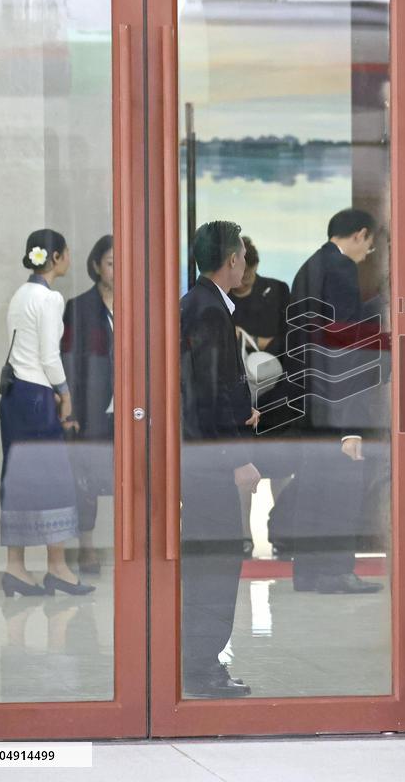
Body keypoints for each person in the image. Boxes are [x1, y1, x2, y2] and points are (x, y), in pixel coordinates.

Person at [179, 220, 259, 697]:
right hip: (208, 460)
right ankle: (202, 666)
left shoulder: (200, 303)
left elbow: (212, 388)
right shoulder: (209, 311)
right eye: (243, 256)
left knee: (210, 558)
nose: (245, 264)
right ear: (231, 259)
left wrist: (240, 407)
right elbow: (206, 396)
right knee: (217, 561)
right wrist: (236, 458)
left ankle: (197, 660)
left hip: (200, 454)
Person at [286, 208, 383, 594]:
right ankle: (336, 571)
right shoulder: (341, 268)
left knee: (313, 485)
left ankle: (308, 572)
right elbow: (345, 343)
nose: (367, 253)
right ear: (360, 234)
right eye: (370, 245)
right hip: (338, 397)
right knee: (343, 486)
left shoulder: (309, 267)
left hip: (311, 395)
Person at [0, 229, 95, 597]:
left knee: (18, 476)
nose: (69, 258)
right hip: (39, 396)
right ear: (55, 258)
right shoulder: (50, 298)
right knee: (53, 478)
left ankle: (15, 567)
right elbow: (49, 357)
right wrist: (65, 393)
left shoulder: (20, 294)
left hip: (13, 395)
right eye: (66, 252)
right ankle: (57, 567)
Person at [229, 236, 293, 557]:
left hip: (276, 391)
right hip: (240, 394)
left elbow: (292, 336)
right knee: (242, 467)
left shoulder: (277, 291)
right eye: (240, 275)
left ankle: (282, 532)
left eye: (250, 275)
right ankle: (244, 535)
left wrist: (260, 340)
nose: (245, 282)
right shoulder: (221, 298)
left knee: (282, 465)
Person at [61, 234, 114, 575]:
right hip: (92, 406)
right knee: (87, 479)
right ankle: (87, 547)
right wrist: (71, 410)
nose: (117, 271)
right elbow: (69, 360)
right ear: (96, 265)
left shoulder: (139, 303)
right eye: (110, 263)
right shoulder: (79, 307)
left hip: (131, 408)